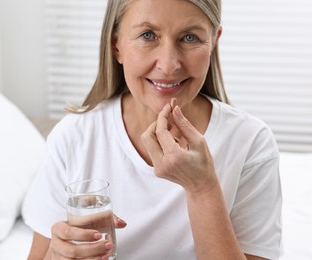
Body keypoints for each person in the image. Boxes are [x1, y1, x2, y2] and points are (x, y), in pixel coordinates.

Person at [23, 0, 282, 259]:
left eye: (190, 37)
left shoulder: (250, 142)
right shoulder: (74, 137)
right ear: (116, 45)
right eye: (147, 35)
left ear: (213, 42)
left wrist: (202, 188)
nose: (169, 65)